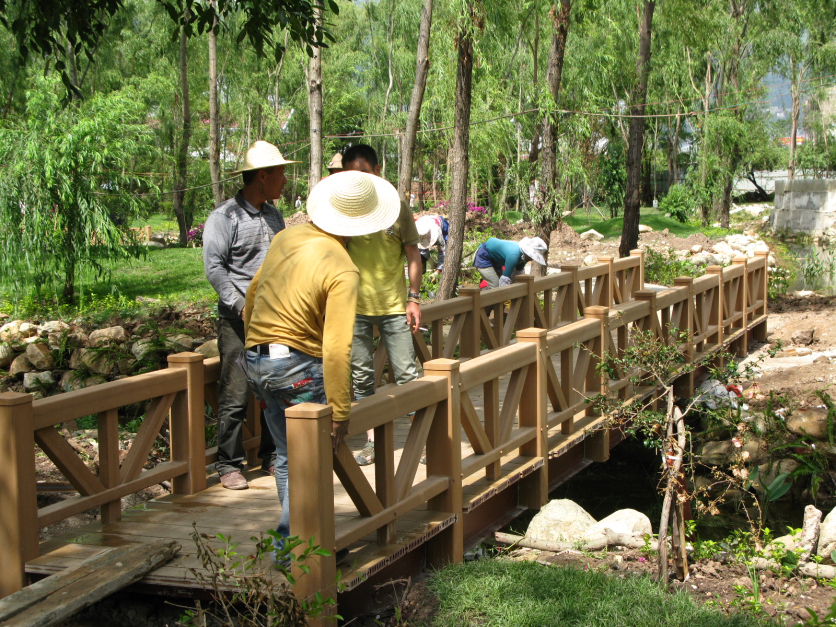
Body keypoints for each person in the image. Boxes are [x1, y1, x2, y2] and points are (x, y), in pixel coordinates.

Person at [243, 170, 401, 544]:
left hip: (255, 359)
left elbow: (252, 296)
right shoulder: (343, 267)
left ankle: (304, 544)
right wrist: (340, 411)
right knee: (310, 463)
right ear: (362, 226)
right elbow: (335, 347)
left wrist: (258, 348)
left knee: (286, 457)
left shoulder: (286, 237)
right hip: (297, 368)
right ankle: (294, 552)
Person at [203, 140, 296, 490]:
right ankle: (228, 463)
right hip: (238, 322)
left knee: (276, 385)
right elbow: (214, 268)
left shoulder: (274, 216)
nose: (285, 180)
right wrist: (241, 305)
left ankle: (272, 456)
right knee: (236, 392)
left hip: (275, 319)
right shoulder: (224, 217)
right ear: (262, 176)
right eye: (281, 174)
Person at [342, 144, 423, 466]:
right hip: (353, 308)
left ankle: (424, 440)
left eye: (363, 172)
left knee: (407, 375)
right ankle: (372, 444)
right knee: (361, 379)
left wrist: (414, 298)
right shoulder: (343, 209)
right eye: (351, 174)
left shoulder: (395, 207)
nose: (358, 179)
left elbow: (413, 253)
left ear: (377, 171)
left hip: (393, 307)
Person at [473, 236, 548, 289]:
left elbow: (518, 273)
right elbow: (505, 279)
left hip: (496, 260)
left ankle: (495, 309)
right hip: (483, 256)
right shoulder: (514, 256)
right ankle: (484, 308)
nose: (532, 259)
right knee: (495, 286)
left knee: (498, 286)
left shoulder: (523, 257)